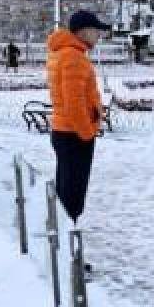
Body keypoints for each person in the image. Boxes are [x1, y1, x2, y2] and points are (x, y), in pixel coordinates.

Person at [46, 11, 110, 222]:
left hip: (65, 131)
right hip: (74, 135)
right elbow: (74, 102)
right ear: (83, 32)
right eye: (96, 30)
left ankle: (61, 233)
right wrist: (87, 132)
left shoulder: (67, 53)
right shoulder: (73, 57)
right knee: (72, 193)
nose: (99, 35)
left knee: (66, 187)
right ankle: (65, 240)